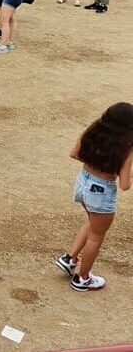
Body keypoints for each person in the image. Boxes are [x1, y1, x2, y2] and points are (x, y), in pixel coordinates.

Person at [55, 102, 133, 292]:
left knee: (92, 222)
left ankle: (70, 258)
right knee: (96, 237)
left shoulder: (92, 131)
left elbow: (74, 154)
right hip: (102, 191)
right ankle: (82, 278)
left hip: (83, 182)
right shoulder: (126, 148)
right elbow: (124, 185)